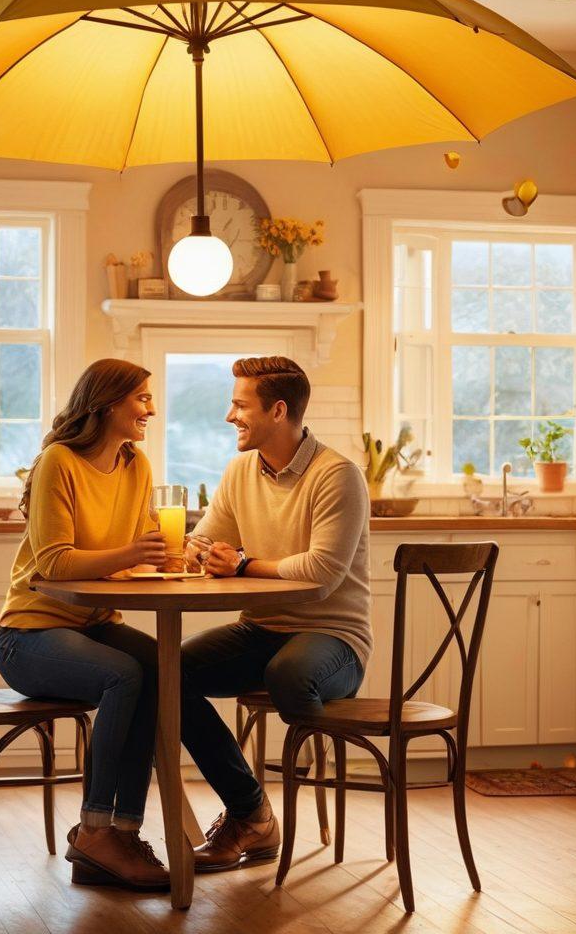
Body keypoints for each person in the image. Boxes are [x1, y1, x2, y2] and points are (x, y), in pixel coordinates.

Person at [181, 356, 371, 871]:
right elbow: (204, 538)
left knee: (286, 673)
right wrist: (201, 553)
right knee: (164, 673)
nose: (229, 416)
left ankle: (303, 800)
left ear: (279, 410)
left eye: (240, 405)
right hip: (263, 628)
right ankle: (252, 813)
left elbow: (322, 572)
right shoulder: (240, 470)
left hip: (333, 636)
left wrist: (242, 563)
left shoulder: (337, 475)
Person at [0, 358, 170, 892]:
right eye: (141, 398)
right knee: (125, 674)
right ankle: (94, 831)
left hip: (91, 625)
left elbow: (142, 547)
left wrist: (176, 556)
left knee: (160, 667)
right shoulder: (58, 462)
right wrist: (133, 551)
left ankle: (124, 832)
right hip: (30, 635)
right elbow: (54, 563)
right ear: (108, 402)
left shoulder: (136, 466)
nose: (151, 409)